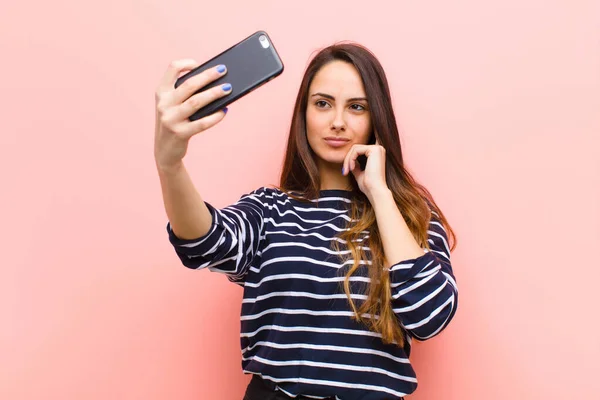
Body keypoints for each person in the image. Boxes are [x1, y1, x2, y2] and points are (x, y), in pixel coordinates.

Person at [154, 42, 459, 400]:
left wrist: (378, 193)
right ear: (304, 113)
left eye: (357, 107)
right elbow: (205, 241)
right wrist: (169, 165)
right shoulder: (271, 209)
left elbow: (430, 315)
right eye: (323, 103)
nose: (338, 122)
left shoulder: (408, 214)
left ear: (377, 117)